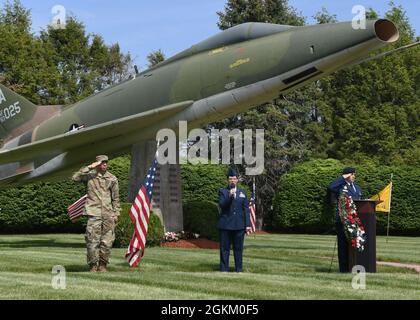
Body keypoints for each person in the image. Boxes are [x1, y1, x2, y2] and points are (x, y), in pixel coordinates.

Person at [72, 155, 121, 272]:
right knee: (92, 241)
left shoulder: (112, 178)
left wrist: (116, 213)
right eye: (102, 162)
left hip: (108, 214)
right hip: (94, 213)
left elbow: (116, 198)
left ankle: (103, 265)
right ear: (97, 164)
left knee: (107, 241)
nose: (105, 164)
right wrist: (90, 167)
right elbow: (75, 177)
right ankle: (93, 265)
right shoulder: (90, 176)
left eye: (106, 162)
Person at [328, 167, 362, 272]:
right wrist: (343, 177)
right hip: (343, 220)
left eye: (354, 174)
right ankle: (343, 269)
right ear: (347, 175)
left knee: (355, 244)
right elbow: (330, 187)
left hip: (355, 220)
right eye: (352, 174)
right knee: (343, 245)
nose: (354, 176)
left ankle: (355, 266)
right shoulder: (340, 186)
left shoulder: (357, 188)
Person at [218, 168, 252, 272]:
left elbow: (246, 209)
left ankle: (239, 269)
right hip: (226, 224)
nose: (232, 180)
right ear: (228, 180)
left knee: (238, 248)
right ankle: (224, 269)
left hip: (239, 225)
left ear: (237, 180)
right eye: (230, 178)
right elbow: (222, 205)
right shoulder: (223, 191)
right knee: (224, 248)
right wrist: (229, 196)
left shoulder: (243, 192)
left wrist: (248, 225)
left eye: (234, 178)